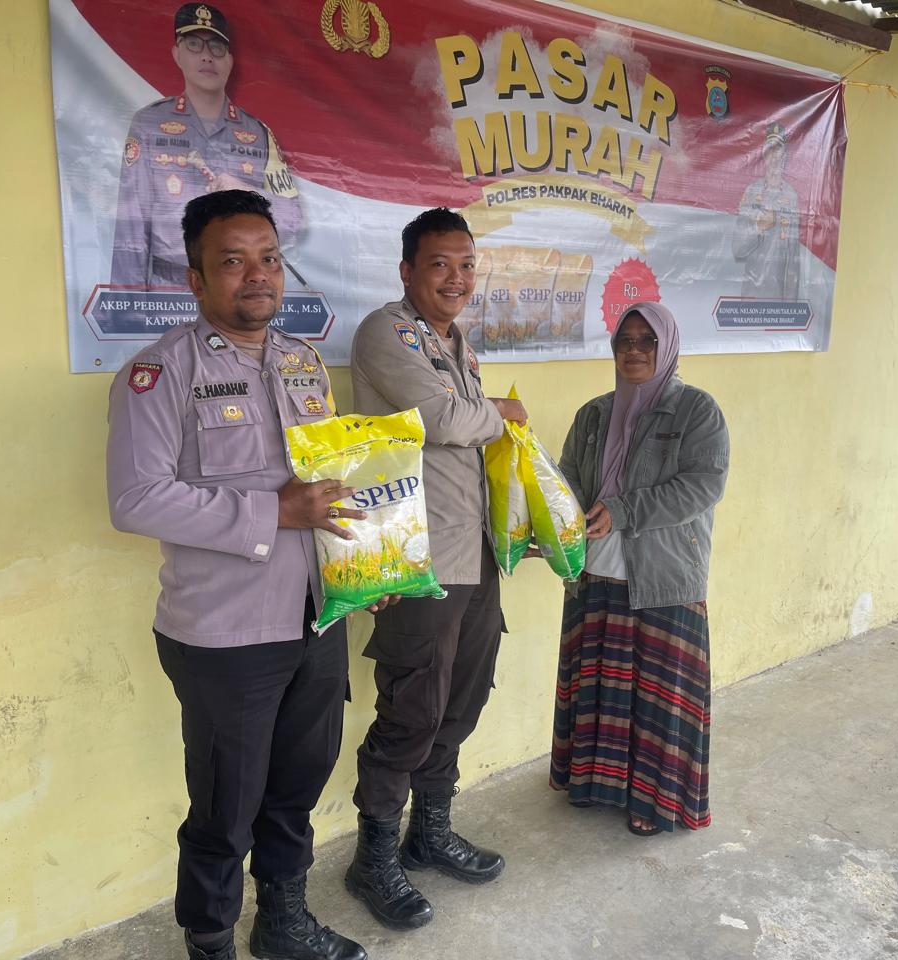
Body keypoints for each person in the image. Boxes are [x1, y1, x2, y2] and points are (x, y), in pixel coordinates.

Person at [107, 190, 367, 960]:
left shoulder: (304, 362)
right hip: (226, 634)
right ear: (195, 279)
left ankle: (283, 922)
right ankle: (211, 940)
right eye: (232, 261)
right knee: (226, 808)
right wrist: (271, 514)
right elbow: (135, 498)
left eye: (269, 259)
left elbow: (328, 485)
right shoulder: (160, 373)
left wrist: (365, 568)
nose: (257, 275)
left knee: (297, 786)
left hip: (317, 615)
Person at [344, 208, 527, 930]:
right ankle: (373, 857)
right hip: (418, 556)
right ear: (407, 271)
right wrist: (501, 411)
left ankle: (430, 832)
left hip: (473, 551)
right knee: (412, 708)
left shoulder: (455, 344)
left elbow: (463, 429)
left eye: (467, 264)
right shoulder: (386, 332)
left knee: (463, 697)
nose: (457, 278)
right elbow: (444, 421)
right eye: (440, 264)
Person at [550, 301, 729, 837]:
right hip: (596, 571)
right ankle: (594, 785)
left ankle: (654, 802)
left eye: (646, 340)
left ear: (666, 346)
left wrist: (624, 510)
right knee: (600, 687)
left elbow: (701, 486)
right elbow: (567, 481)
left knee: (659, 699)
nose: (634, 350)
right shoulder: (593, 414)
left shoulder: (697, 411)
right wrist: (553, 525)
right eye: (625, 340)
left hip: (663, 577)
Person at [110, 3, 302, 290]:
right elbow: (131, 223)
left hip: (242, 287)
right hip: (171, 287)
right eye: (194, 44)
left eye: (216, 47)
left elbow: (293, 219)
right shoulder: (148, 124)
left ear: (230, 61)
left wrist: (245, 190)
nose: (206, 56)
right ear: (177, 54)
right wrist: (129, 302)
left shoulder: (258, 133)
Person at [733, 123, 801, 300]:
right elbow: (737, 248)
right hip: (751, 296)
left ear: (785, 155)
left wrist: (791, 304)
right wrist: (759, 227)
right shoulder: (751, 192)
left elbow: (793, 259)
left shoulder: (791, 197)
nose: (774, 157)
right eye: (770, 150)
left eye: (778, 150)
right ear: (763, 154)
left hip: (778, 298)